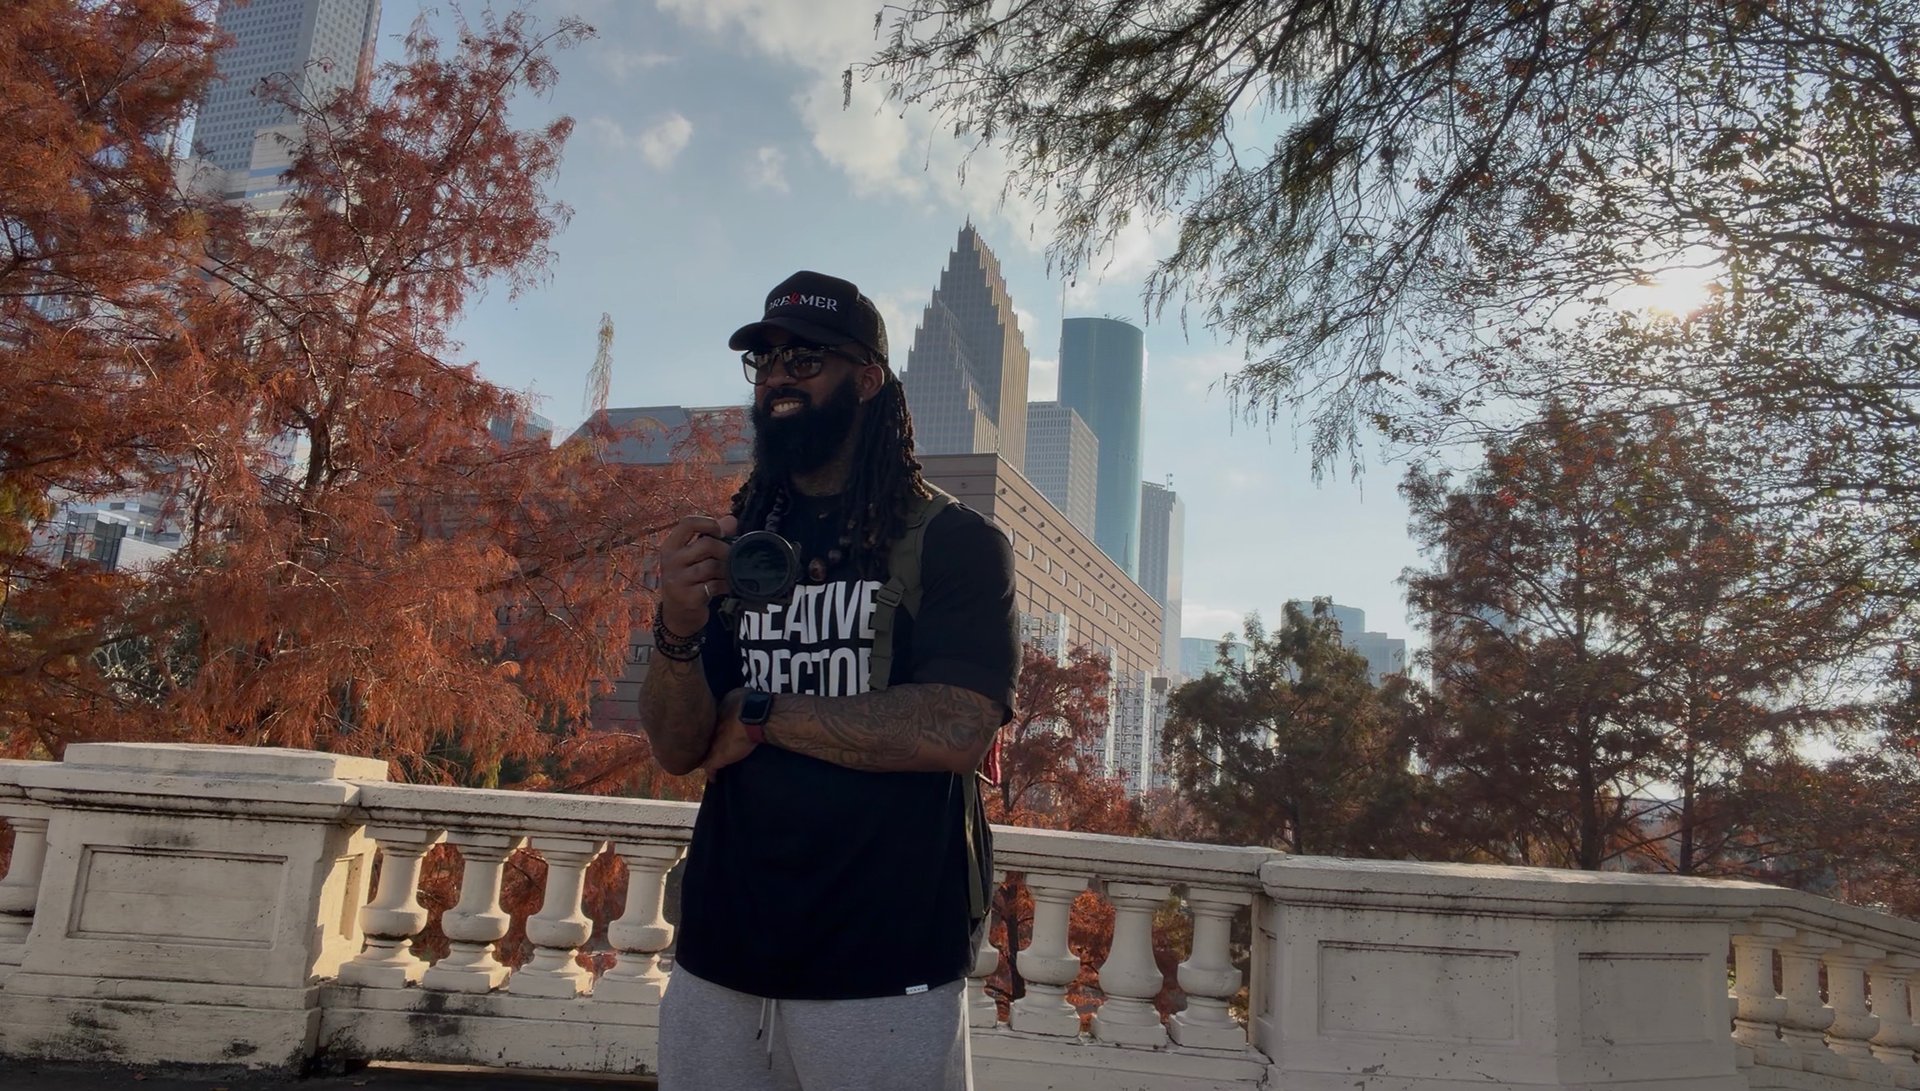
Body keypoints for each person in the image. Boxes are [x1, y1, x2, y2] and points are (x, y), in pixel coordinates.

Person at [640, 270, 1019, 1091]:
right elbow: (676, 748)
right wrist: (676, 624)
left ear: (869, 378)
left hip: (884, 963)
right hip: (720, 951)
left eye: (806, 359)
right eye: (766, 360)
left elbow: (957, 728)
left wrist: (764, 713)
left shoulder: (954, 543)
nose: (778, 375)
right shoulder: (739, 544)